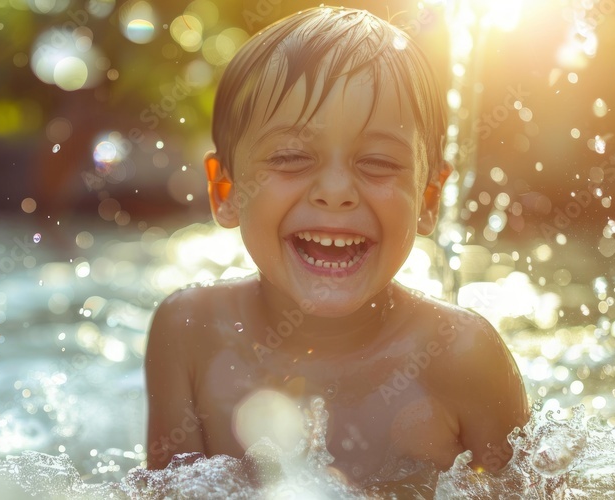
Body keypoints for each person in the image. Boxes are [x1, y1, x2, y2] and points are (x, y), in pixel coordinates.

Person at [144, 5, 528, 488]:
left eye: (378, 162)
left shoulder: (463, 356)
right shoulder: (191, 333)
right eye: (290, 157)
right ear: (226, 192)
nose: (336, 191)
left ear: (428, 200)